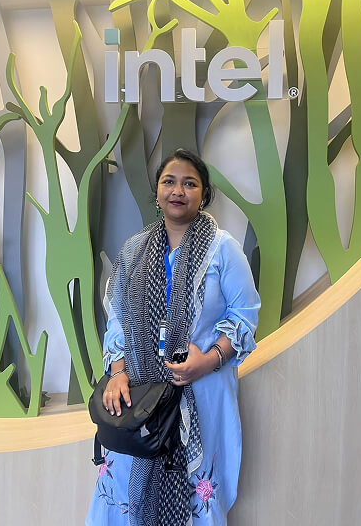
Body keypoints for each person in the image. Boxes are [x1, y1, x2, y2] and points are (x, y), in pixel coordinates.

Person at [86, 149, 260, 526]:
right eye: (169, 181)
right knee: (126, 489)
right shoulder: (133, 252)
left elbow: (244, 316)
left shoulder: (223, 250)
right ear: (157, 192)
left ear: (204, 194)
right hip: (140, 397)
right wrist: (117, 373)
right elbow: (117, 316)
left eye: (189, 183)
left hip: (201, 393)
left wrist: (208, 360)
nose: (178, 190)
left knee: (197, 491)